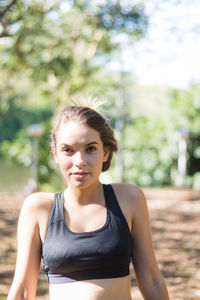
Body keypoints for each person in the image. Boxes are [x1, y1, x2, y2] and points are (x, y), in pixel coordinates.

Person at [7, 99, 169, 300]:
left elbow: (152, 280)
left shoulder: (129, 199)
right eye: (68, 150)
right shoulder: (39, 208)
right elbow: (22, 290)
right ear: (56, 154)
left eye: (90, 149)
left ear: (105, 152)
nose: (80, 161)